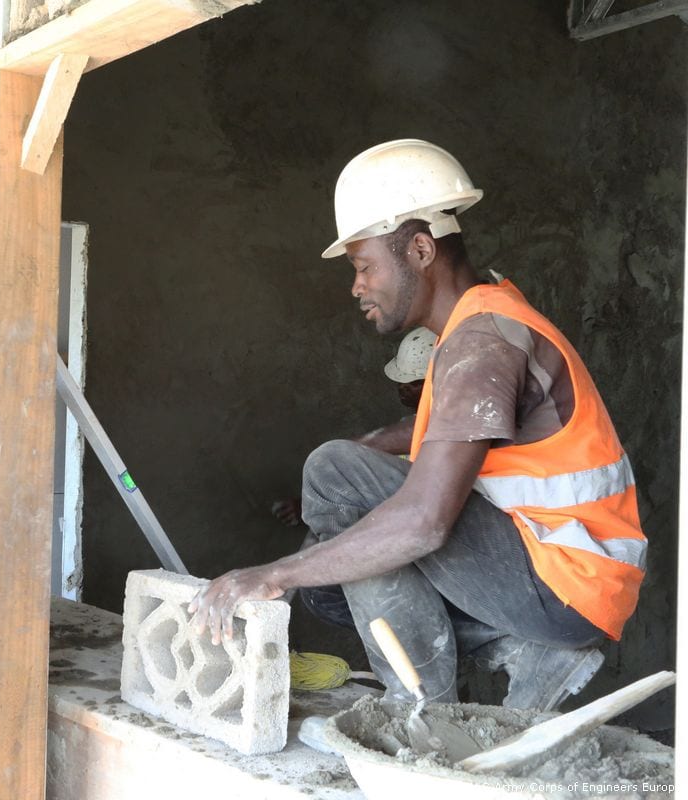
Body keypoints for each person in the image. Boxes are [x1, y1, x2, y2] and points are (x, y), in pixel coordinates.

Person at [191, 140, 646, 712]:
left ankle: (422, 713)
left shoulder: (482, 340)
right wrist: (377, 445)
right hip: (566, 578)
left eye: (363, 266)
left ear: (421, 249)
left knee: (334, 474)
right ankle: (519, 651)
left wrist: (271, 574)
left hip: (566, 577)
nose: (357, 286)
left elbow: (426, 522)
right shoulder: (485, 322)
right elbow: (464, 429)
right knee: (332, 584)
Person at [271, 326, 435, 527]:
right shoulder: (405, 429)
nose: (403, 387)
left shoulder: (440, 427)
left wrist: (341, 458)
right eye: (400, 379)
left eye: (414, 381)